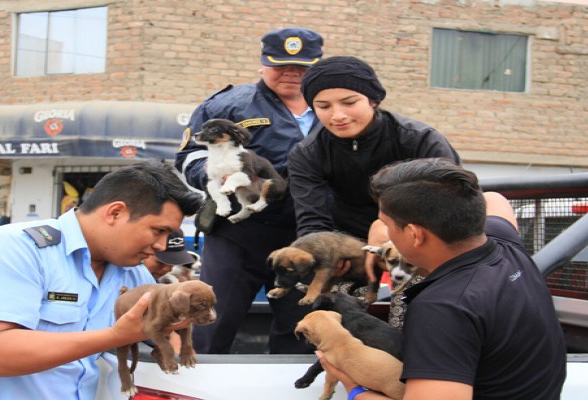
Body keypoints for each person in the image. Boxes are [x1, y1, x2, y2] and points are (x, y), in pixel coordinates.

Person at [0, 160, 203, 400]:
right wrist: (116, 337)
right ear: (115, 212)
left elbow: (164, 333)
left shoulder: (132, 272)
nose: (163, 246)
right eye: (158, 231)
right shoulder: (14, 249)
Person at [318, 158, 567, 400]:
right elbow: (494, 199)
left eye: (387, 225)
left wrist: (355, 389)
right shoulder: (503, 242)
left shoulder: (443, 307)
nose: (387, 235)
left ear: (415, 234)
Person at [175, 27, 324, 354]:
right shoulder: (228, 104)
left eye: (301, 67)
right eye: (281, 64)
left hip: (305, 237)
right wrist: (214, 173)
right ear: (262, 64)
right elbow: (189, 156)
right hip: (236, 233)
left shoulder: (336, 109)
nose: (291, 74)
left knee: (301, 331)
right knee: (209, 322)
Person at [289, 55, 460, 241]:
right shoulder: (307, 153)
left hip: (417, 239)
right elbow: (312, 223)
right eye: (323, 106)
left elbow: (450, 205)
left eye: (349, 103)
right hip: (347, 246)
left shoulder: (421, 140)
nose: (337, 115)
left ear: (373, 100)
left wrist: (387, 230)